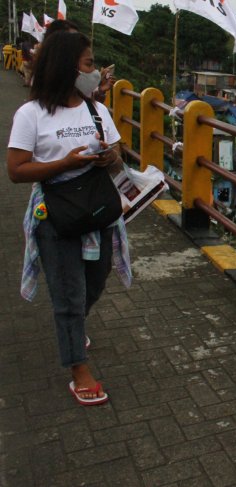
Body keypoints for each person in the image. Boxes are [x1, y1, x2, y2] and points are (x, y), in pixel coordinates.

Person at [7, 31, 132, 406]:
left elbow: (117, 149)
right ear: (67, 67)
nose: (94, 72)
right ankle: (79, 368)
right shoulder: (31, 114)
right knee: (68, 295)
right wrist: (65, 162)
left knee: (94, 283)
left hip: (97, 211)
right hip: (55, 214)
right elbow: (16, 170)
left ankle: (73, 324)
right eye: (89, 64)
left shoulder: (97, 110)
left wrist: (109, 156)